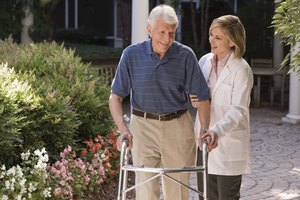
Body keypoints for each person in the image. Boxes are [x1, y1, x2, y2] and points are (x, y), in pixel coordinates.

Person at [109, 4, 217, 200]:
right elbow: (115, 97)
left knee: (178, 191)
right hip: (142, 127)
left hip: (177, 126)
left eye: (172, 33)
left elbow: (202, 97)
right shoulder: (131, 55)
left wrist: (204, 129)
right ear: (149, 30)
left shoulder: (185, 55)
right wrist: (123, 129)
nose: (167, 39)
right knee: (146, 191)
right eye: (162, 32)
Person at [190, 15, 253, 200]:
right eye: (211, 34)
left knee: (227, 196)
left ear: (232, 41)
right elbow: (200, 97)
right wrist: (194, 100)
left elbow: (238, 110)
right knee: (205, 196)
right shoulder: (204, 61)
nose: (211, 40)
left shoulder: (242, 69)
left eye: (218, 37)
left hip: (228, 142)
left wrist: (217, 131)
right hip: (204, 139)